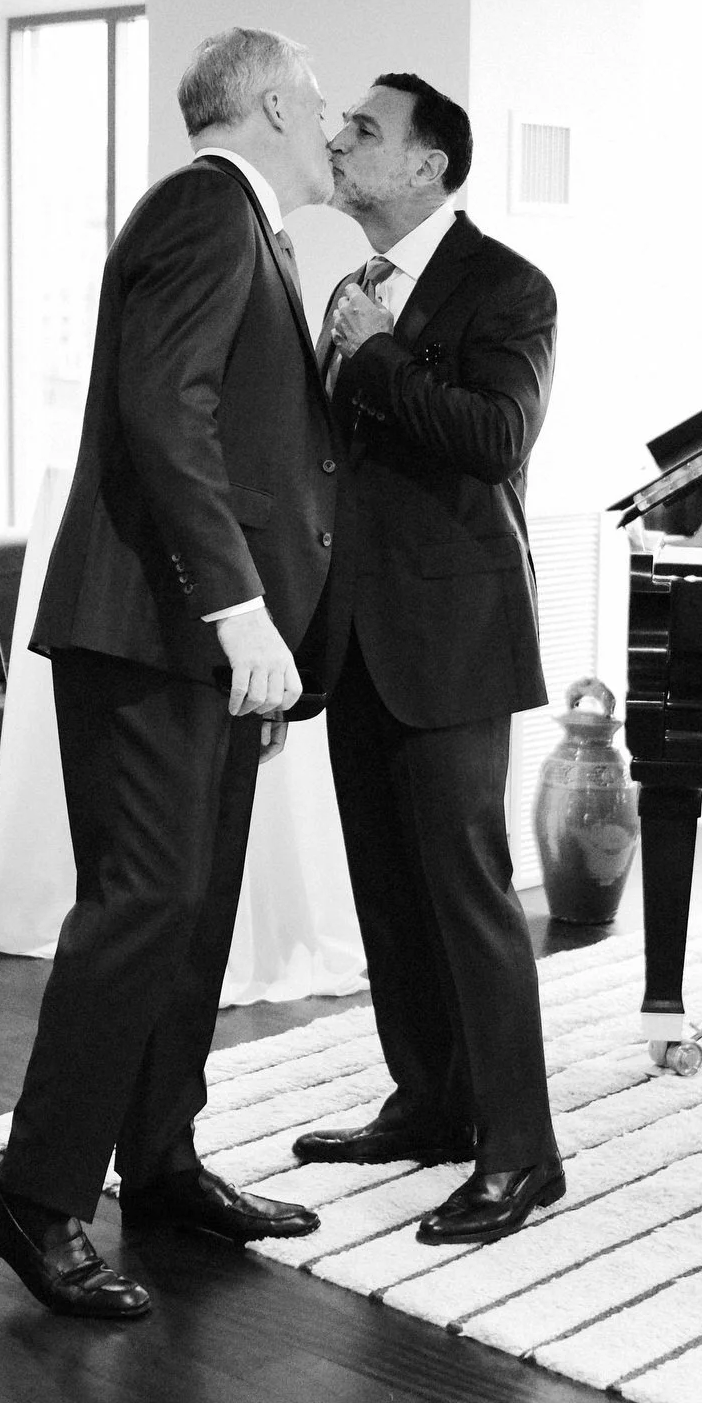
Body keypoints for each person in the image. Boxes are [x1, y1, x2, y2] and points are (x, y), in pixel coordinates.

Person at [0, 28, 338, 1318]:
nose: (333, 125)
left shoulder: (243, 224)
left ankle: (162, 1163)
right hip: (155, 629)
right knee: (140, 907)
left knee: (191, 910)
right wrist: (241, 614)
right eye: (322, 100)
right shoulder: (200, 208)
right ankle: (37, 1189)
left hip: (205, 648)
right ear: (278, 103)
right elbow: (162, 412)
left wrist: (264, 643)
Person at [290, 73, 564, 1244]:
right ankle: (429, 1104)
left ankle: (521, 1151)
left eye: (363, 128)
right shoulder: (349, 281)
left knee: (466, 892)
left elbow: (497, 439)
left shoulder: (507, 286)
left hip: (455, 634)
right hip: (354, 633)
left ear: (427, 167)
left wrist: (384, 354)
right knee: (387, 891)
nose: (339, 140)